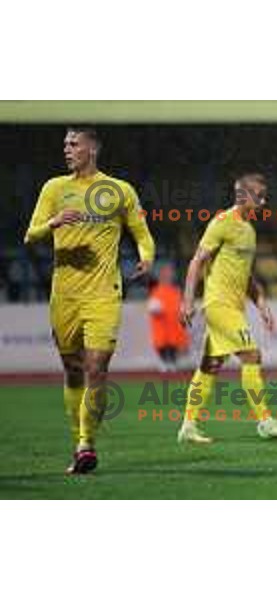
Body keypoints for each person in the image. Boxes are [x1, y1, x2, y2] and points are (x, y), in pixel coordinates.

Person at [24, 126, 155, 474]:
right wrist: (52, 223)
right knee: (73, 370)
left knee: (96, 367)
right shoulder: (54, 188)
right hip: (64, 294)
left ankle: (86, 445)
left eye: (73, 143)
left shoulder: (119, 190)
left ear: (92, 149)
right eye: (65, 144)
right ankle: (77, 439)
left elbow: (142, 233)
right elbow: (29, 236)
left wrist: (147, 257)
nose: (66, 149)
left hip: (103, 294)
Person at [177, 173, 277, 444]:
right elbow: (197, 261)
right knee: (252, 355)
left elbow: (245, 275)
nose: (263, 201)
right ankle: (265, 421)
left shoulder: (249, 230)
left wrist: (262, 303)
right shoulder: (222, 223)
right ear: (242, 195)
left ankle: (188, 425)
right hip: (219, 305)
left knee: (210, 365)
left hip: (234, 307)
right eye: (258, 195)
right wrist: (187, 300)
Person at [147, 264, 190, 372]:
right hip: (162, 328)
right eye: (166, 274)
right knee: (163, 346)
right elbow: (152, 306)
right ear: (161, 276)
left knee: (175, 347)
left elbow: (181, 306)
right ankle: (165, 362)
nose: (168, 276)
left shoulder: (176, 291)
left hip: (174, 327)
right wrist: (155, 308)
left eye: (169, 273)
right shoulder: (156, 291)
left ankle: (173, 362)